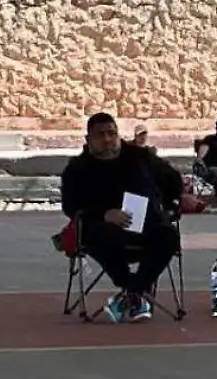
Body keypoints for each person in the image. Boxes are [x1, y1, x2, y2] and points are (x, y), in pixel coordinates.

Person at [61, 112, 184, 323]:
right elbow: (70, 206)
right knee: (100, 235)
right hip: (105, 231)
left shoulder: (141, 157)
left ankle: (133, 292)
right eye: (101, 135)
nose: (107, 139)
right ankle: (134, 290)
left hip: (147, 227)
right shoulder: (77, 168)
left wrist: (169, 203)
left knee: (169, 237)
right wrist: (104, 214)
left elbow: (174, 182)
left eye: (111, 133)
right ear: (88, 139)